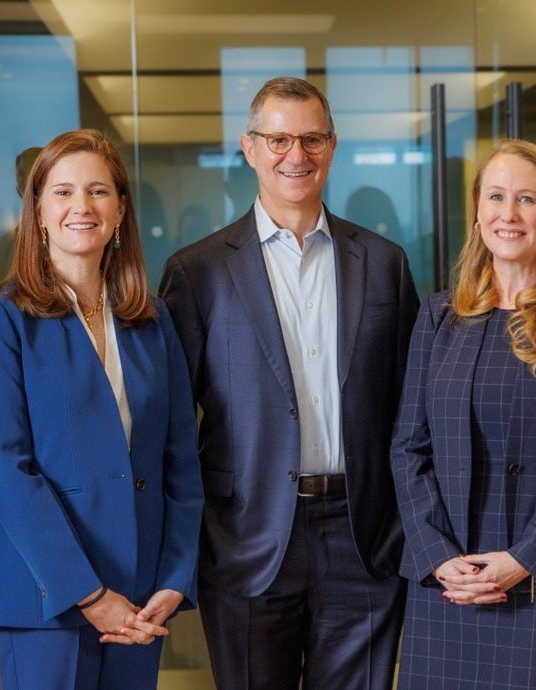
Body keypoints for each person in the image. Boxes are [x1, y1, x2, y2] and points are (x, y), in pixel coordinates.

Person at [159, 77, 419, 690]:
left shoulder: (384, 263)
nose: (295, 155)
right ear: (248, 148)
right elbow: (171, 422)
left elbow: (413, 410)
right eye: (278, 139)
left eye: (311, 139)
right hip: (248, 536)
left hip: (364, 536)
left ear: (332, 146)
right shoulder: (197, 272)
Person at [0, 129, 203, 690]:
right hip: (50, 593)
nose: (82, 207)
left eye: (98, 191)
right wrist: (89, 595)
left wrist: (175, 576)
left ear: (120, 211)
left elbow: (181, 461)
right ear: (39, 212)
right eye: (63, 192)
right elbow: (6, 470)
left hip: (143, 593)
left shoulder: (151, 319)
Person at [391, 139, 536, 690]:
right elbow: (408, 448)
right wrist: (436, 555)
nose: (509, 213)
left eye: (527, 199)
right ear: (477, 211)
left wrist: (524, 559)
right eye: (496, 196)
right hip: (447, 579)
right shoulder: (440, 315)